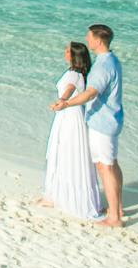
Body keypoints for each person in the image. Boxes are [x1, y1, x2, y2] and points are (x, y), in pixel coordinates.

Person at [51, 22, 125, 227]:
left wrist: (66, 103)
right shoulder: (112, 60)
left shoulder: (103, 66)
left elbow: (91, 93)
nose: (87, 40)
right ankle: (117, 208)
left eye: (89, 37)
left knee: (105, 166)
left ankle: (114, 217)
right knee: (111, 164)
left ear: (98, 40)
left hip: (103, 122)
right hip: (111, 119)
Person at [41, 40, 103, 219]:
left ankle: (63, 198)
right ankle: (57, 195)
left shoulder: (74, 75)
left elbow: (68, 89)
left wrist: (62, 101)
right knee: (65, 153)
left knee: (66, 153)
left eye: (68, 51)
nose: (65, 52)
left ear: (75, 56)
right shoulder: (79, 74)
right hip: (71, 114)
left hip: (70, 116)